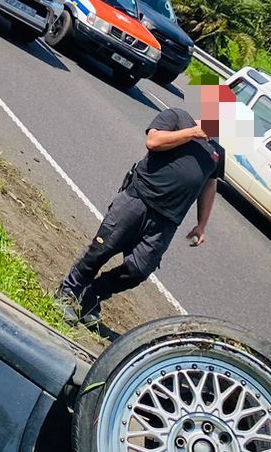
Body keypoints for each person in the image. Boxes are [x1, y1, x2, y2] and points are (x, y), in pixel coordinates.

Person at [57, 85, 228, 327]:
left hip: (167, 220)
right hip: (138, 199)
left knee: (139, 269)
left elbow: (210, 186)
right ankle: (68, 291)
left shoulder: (218, 153)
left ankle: (94, 293)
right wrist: (191, 133)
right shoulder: (177, 117)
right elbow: (153, 140)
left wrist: (202, 224)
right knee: (102, 249)